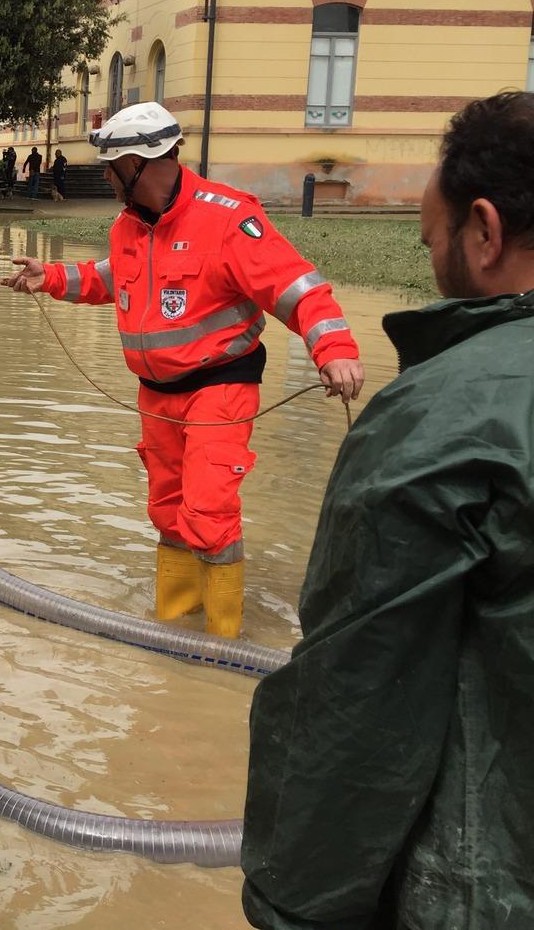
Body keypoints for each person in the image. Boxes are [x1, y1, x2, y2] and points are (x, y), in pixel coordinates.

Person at [242, 91, 534, 928]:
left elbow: (353, 708)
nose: (433, 258)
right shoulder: (133, 228)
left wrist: (288, 909)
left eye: (431, 242)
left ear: (484, 231)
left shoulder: (443, 417)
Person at [0, 101, 363, 638]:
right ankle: (172, 634)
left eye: (111, 164)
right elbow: (110, 277)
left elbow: (295, 287)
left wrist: (334, 350)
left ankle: (224, 644)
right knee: (168, 512)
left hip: (220, 386)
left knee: (209, 511)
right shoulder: (129, 226)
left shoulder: (228, 218)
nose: (104, 175)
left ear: (142, 164)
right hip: (156, 395)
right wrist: (49, 277)